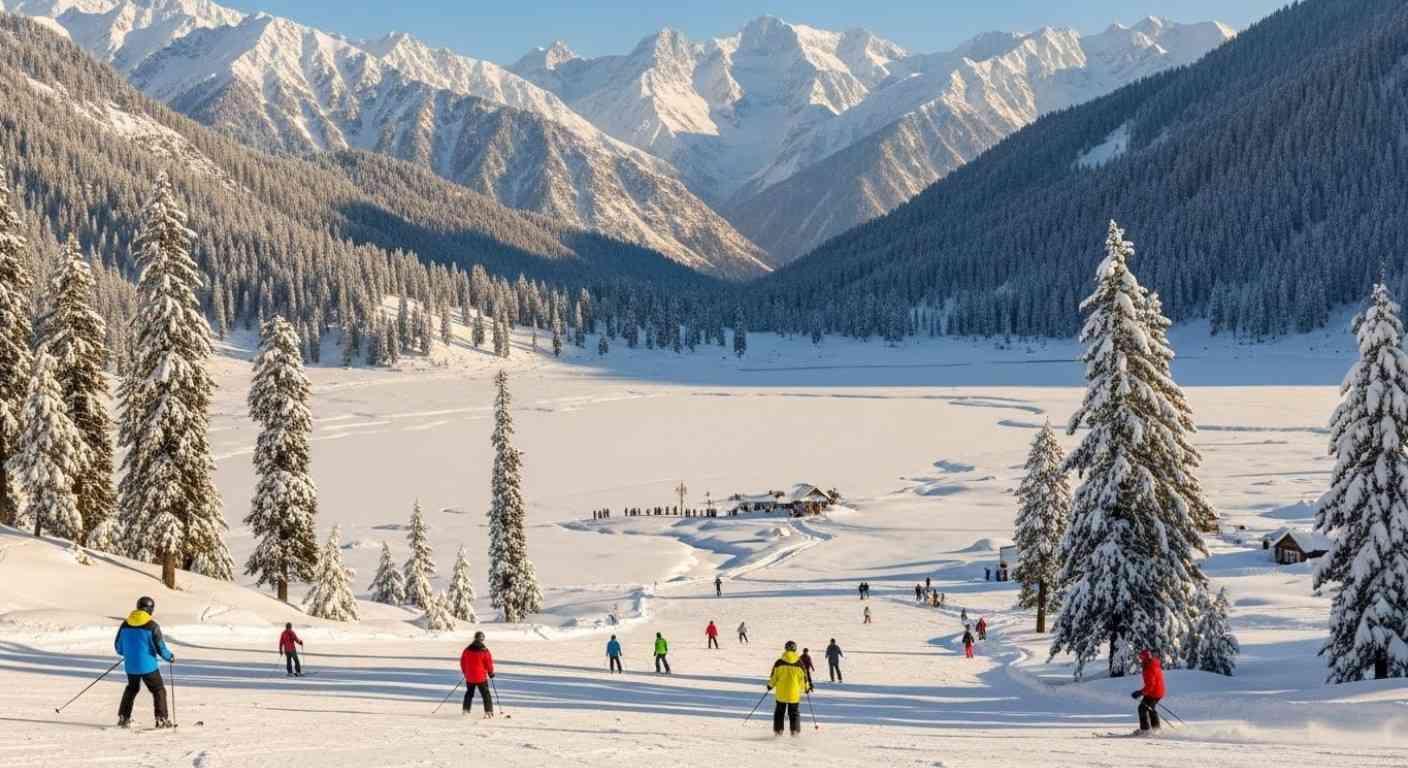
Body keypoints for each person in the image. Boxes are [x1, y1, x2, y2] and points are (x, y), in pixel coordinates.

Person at [114, 596, 174, 728]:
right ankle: (161, 719)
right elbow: (160, 647)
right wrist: (169, 657)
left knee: (132, 688)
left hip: (131, 666)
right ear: (150, 610)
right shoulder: (152, 626)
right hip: (148, 666)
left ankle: (123, 717)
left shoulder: (125, 624)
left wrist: (130, 653)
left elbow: (118, 647)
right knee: (158, 690)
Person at [766, 641, 810, 736]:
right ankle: (794, 731)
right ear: (795, 649)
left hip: (781, 693)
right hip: (793, 694)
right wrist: (806, 688)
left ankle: (778, 731)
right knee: (794, 712)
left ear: (786, 648)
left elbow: (774, 676)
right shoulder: (800, 664)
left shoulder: (779, 662)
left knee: (779, 712)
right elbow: (804, 679)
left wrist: (770, 685)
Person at [459, 630, 495, 718]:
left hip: (470, 677)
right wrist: (490, 672)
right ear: (482, 639)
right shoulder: (484, 651)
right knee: (485, 694)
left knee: (469, 693)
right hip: (481, 677)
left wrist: (465, 672)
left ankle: (466, 710)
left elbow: (462, 662)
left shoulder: (467, 650)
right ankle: (488, 711)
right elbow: (488, 663)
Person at [1132, 649, 1166, 733]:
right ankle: (1155, 729)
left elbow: (1150, 685)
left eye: (1141, 658)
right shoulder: (1152, 664)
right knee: (1149, 708)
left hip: (1154, 693)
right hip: (1155, 691)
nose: (1140, 660)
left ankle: (1145, 730)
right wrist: (1141, 692)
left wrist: (1140, 692)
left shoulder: (1149, 668)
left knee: (1143, 708)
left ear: (1145, 658)